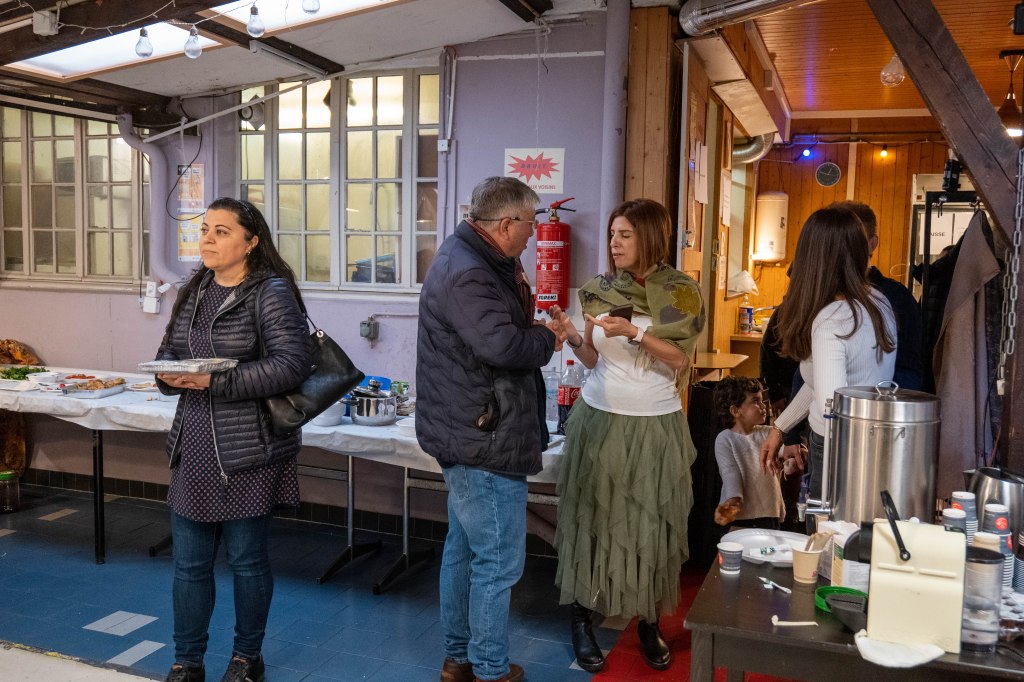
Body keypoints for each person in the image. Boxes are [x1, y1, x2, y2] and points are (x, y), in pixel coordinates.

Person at [153, 198, 312, 682]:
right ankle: (187, 662)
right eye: (205, 229)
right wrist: (167, 375)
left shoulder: (271, 292)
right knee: (189, 565)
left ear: (251, 242)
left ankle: (246, 659)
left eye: (222, 232)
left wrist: (213, 382)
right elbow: (168, 351)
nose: (207, 238)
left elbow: (291, 365)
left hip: (249, 450)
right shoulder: (195, 290)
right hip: (194, 445)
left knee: (246, 561)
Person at [549, 198, 705, 673]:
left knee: (650, 524)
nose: (614, 243)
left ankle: (648, 622)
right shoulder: (597, 290)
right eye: (613, 234)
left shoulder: (682, 292)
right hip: (599, 418)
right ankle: (581, 619)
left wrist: (635, 333)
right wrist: (574, 337)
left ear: (650, 237)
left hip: (654, 422)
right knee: (591, 518)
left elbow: (679, 361)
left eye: (625, 235)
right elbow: (594, 360)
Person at [416, 177, 561, 682]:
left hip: (473, 430)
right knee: (497, 563)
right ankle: (490, 669)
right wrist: (549, 336)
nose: (534, 232)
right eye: (530, 223)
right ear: (505, 225)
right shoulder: (469, 271)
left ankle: (459, 660)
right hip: (484, 437)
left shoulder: (477, 258)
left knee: (464, 552)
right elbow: (504, 347)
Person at [759, 206, 897, 499]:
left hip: (836, 449)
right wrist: (780, 428)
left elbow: (830, 408)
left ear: (812, 258)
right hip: (873, 443)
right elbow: (820, 384)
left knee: (825, 525)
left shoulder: (831, 320)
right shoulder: (880, 303)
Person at [829, 200, 923, 390]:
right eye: (836, 240)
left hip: (872, 405)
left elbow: (910, 372)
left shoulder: (895, 299)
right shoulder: (820, 293)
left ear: (872, 243)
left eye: (854, 240)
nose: (843, 248)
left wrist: (866, 395)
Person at [712, 376, 785, 529]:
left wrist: (796, 454)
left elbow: (785, 451)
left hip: (769, 513)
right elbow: (729, 471)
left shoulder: (769, 433)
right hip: (740, 516)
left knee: (769, 544)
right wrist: (734, 499)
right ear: (735, 410)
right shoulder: (725, 439)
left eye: (762, 400)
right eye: (755, 401)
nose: (763, 406)